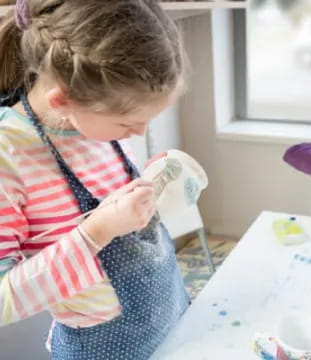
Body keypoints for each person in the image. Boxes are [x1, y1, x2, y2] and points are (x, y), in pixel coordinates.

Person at [0, 1, 190, 359]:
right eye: (127, 123)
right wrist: (95, 233)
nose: (140, 131)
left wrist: (152, 187)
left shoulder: (95, 121)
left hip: (170, 319)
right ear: (63, 100)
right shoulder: (9, 155)